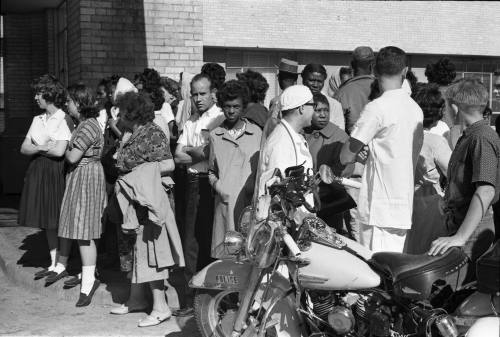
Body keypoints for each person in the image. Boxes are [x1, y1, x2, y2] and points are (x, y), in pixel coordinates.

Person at [339, 46, 424, 253]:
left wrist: (360, 152)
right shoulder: (415, 109)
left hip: (379, 207)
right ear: (404, 71)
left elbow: (345, 156)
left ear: (375, 72)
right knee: (393, 268)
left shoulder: (377, 108)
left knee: (377, 272)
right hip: (402, 204)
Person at [110, 92, 184, 326]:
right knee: (136, 251)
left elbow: (169, 164)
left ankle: (161, 307)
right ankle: (136, 299)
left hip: (148, 202)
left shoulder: (152, 132)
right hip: (135, 201)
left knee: (152, 253)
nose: (119, 117)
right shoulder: (131, 132)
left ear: (132, 112)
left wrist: (138, 173)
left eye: (122, 112)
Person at [429, 79, 499, 284]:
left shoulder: (481, 138)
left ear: (454, 106)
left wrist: (460, 237)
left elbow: (486, 190)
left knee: (455, 302)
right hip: (464, 226)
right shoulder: (471, 136)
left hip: (472, 232)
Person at [48, 84, 106, 307]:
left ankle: (89, 281)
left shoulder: (87, 126)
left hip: (85, 176)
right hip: (83, 176)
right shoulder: (85, 124)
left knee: (84, 230)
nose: (67, 104)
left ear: (80, 103)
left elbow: (72, 157)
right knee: (83, 228)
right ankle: (88, 275)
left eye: (70, 101)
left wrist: (57, 146)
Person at [174, 73, 224, 316]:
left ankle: (209, 298)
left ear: (213, 92)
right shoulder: (191, 120)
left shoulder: (219, 117)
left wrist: (194, 152)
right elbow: (177, 156)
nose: (198, 98)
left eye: (202, 93)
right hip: (192, 182)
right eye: (194, 94)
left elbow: (211, 153)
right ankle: (190, 299)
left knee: (209, 241)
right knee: (191, 241)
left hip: (210, 183)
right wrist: (199, 151)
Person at [19, 74, 73, 280]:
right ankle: (53, 263)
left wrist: (36, 148)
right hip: (39, 171)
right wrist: (42, 147)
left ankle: (63, 262)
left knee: (59, 218)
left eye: (39, 93)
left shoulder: (63, 117)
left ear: (50, 94)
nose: (36, 97)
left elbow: (60, 152)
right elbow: (24, 147)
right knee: (48, 220)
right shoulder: (37, 119)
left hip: (56, 171)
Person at [208, 80, 262, 258]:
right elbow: (211, 171)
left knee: (249, 254)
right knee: (226, 256)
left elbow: (263, 169)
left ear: (244, 107)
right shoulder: (215, 135)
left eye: (236, 106)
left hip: (250, 206)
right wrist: (219, 187)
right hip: (225, 204)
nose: (231, 111)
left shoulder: (257, 133)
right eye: (227, 106)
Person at [405, 84, 452, 254]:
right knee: (427, 250)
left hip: (405, 197)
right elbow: (452, 172)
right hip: (430, 201)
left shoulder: (403, 136)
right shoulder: (435, 142)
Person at [303, 93, 349, 231]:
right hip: (304, 199)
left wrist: (327, 176)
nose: (323, 115)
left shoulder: (339, 136)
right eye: (318, 110)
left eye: (326, 110)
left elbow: (347, 166)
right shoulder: (300, 132)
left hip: (329, 200)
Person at [259, 85, 314, 198]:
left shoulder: (291, 136)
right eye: (313, 105)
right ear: (302, 107)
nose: (314, 110)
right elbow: (278, 192)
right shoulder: (282, 142)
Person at [334, 46, 376, 134]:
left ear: (352, 65)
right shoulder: (383, 88)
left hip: (351, 144)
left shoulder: (343, 92)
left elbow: (335, 126)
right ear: (373, 64)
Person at [301, 63, 345, 131]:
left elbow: (339, 132)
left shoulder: (334, 105)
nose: (315, 85)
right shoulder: (295, 102)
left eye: (319, 81)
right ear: (303, 80)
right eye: (311, 80)